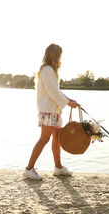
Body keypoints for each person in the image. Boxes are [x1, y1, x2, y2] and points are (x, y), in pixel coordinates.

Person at [23, 43, 79, 181]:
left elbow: (56, 90)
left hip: (53, 110)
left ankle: (58, 168)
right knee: (44, 139)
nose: (60, 58)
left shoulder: (50, 70)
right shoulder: (47, 70)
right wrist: (67, 103)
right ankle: (29, 169)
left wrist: (68, 99)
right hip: (48, 111)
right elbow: (52, 91)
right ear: (55, 55)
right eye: (59, 55)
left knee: (57, 139)